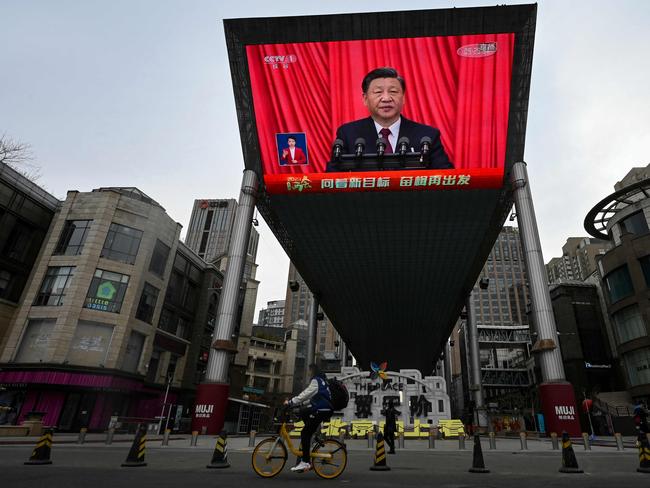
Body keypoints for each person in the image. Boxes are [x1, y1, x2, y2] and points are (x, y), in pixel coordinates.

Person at [329, 67, 452, 170]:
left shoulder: (427, 135)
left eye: (393, 91)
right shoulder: (349, 134)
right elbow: (331, 180)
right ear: (365, 99)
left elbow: (447, 177)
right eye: (378, 92)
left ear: (403, 98)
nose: (386, 98)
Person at [284, 363, 333, 473]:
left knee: (305, 433)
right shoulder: (322, 381)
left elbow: (305, 394)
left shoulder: (316, 381)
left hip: (321, 410)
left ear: (313, 371)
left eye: (309, 370)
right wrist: (300, 405)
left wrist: (291, 402)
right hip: (323, 409)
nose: (308, 372)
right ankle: (315, 435)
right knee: (304, 412)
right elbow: (312, 398)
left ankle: (305, 462)